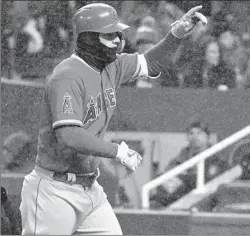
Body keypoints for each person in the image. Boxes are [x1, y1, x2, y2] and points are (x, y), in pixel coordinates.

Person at [19, 3, 207, 235]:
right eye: (109, 35)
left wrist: (175, 35)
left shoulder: (113, 66)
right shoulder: (67, 75)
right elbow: (68, 134)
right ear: (88, 38)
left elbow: (151, 63)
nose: (118, 40)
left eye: (118, 33)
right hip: (53, 190)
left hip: (89, 188)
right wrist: (117, 151)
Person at [150, 120, 229, 208]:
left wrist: (184, 178)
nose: (194, 137)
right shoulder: (182, 155)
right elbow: (168, 174)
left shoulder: (217, 158)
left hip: (204, 200)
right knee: (153, 202)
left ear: (207, 136)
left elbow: (208, 182)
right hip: (177, 197)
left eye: (199, 133)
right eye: (191, 133)